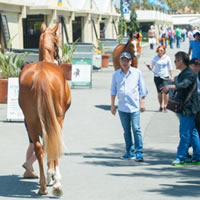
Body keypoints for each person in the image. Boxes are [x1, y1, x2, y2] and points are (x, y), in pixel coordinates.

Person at [161, 51, 200, 165]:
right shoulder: (185, 72)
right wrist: (169, 84)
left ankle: (181, 157)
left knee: (185, 133)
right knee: (192, 132)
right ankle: (197, 156)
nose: (175, 63)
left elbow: (185, 84)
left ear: (181, 61)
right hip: (189, 107)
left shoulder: (189, 73)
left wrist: (172, 86)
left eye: (176, 60)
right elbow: (178, 81)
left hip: (189, 108)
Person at [111, 52, 148, 162]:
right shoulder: (116, 74)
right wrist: (112, 106)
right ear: (120, 62)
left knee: (136, 129)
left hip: (134, 106)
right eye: (122, 60)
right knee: (126, 130)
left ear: (130, 62)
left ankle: (139, 152)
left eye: (126, 60)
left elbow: (143, 89)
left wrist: (142, 102)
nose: (124, 62)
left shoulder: (137, 73)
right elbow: (113, 91)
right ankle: (129, 151)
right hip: (122, 107)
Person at [146, 45, 174, 112]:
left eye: (161, 50)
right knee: (159, 92)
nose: (160, 51)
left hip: (165, 77)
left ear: (164, 50)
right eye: (159, 50)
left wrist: (172, 76)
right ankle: (161, 106)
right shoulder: (155, 58)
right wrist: (149, 67)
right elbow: (151, 67)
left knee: (166, 92)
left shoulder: (167, 58)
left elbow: (170, 68)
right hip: (157, 77)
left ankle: (165, 106)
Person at [189, 58, 200, 136]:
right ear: (190, 66)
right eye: (194, 66)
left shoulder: (198, 76)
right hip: (191, 108)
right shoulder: (188, 76)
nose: (196, 68)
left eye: (198, 66)